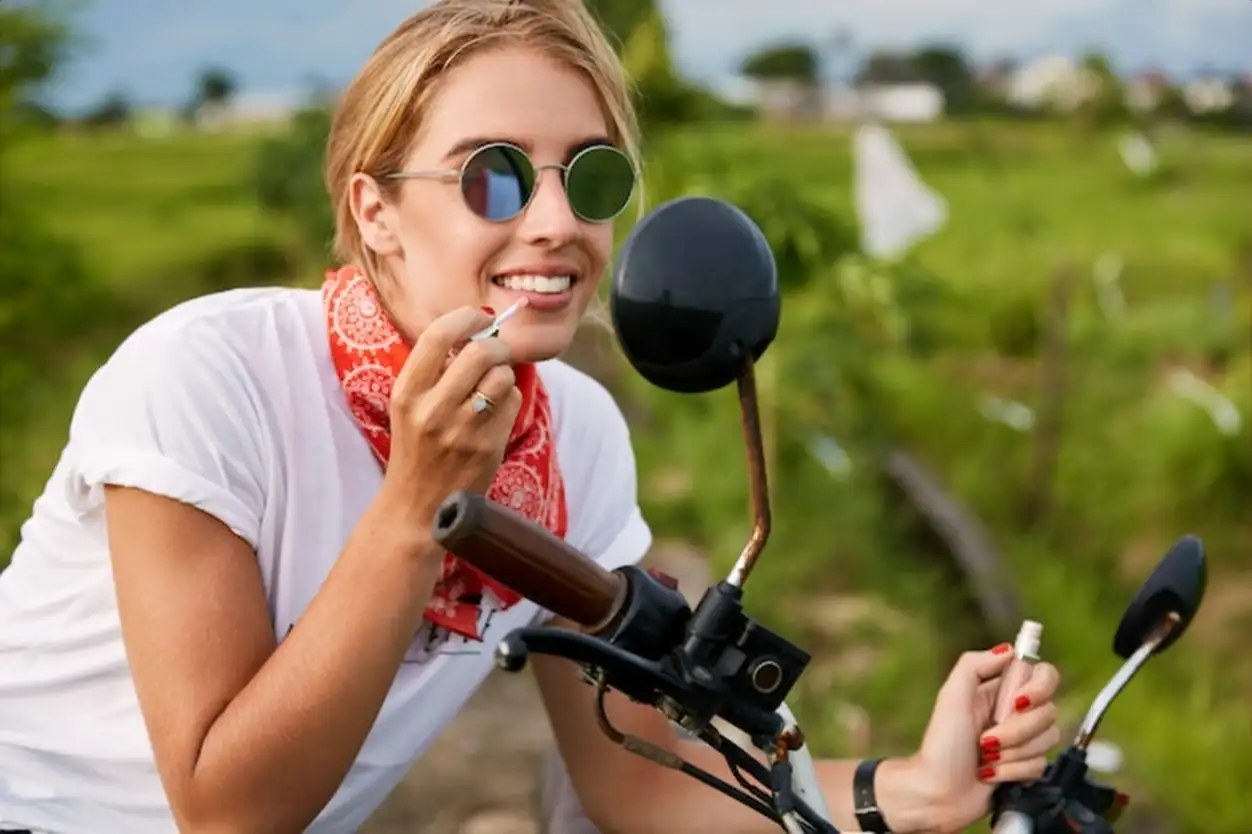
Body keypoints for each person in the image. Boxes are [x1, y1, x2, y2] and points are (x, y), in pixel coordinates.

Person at [0, 1, 1063, 832]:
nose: (556, 223)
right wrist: (418, 505)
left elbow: (633, 791)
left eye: (589, 178)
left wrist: (911, 790)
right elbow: (225, 813)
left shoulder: (575, 438)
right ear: (376, 211)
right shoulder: (207, 380)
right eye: (494, 178)